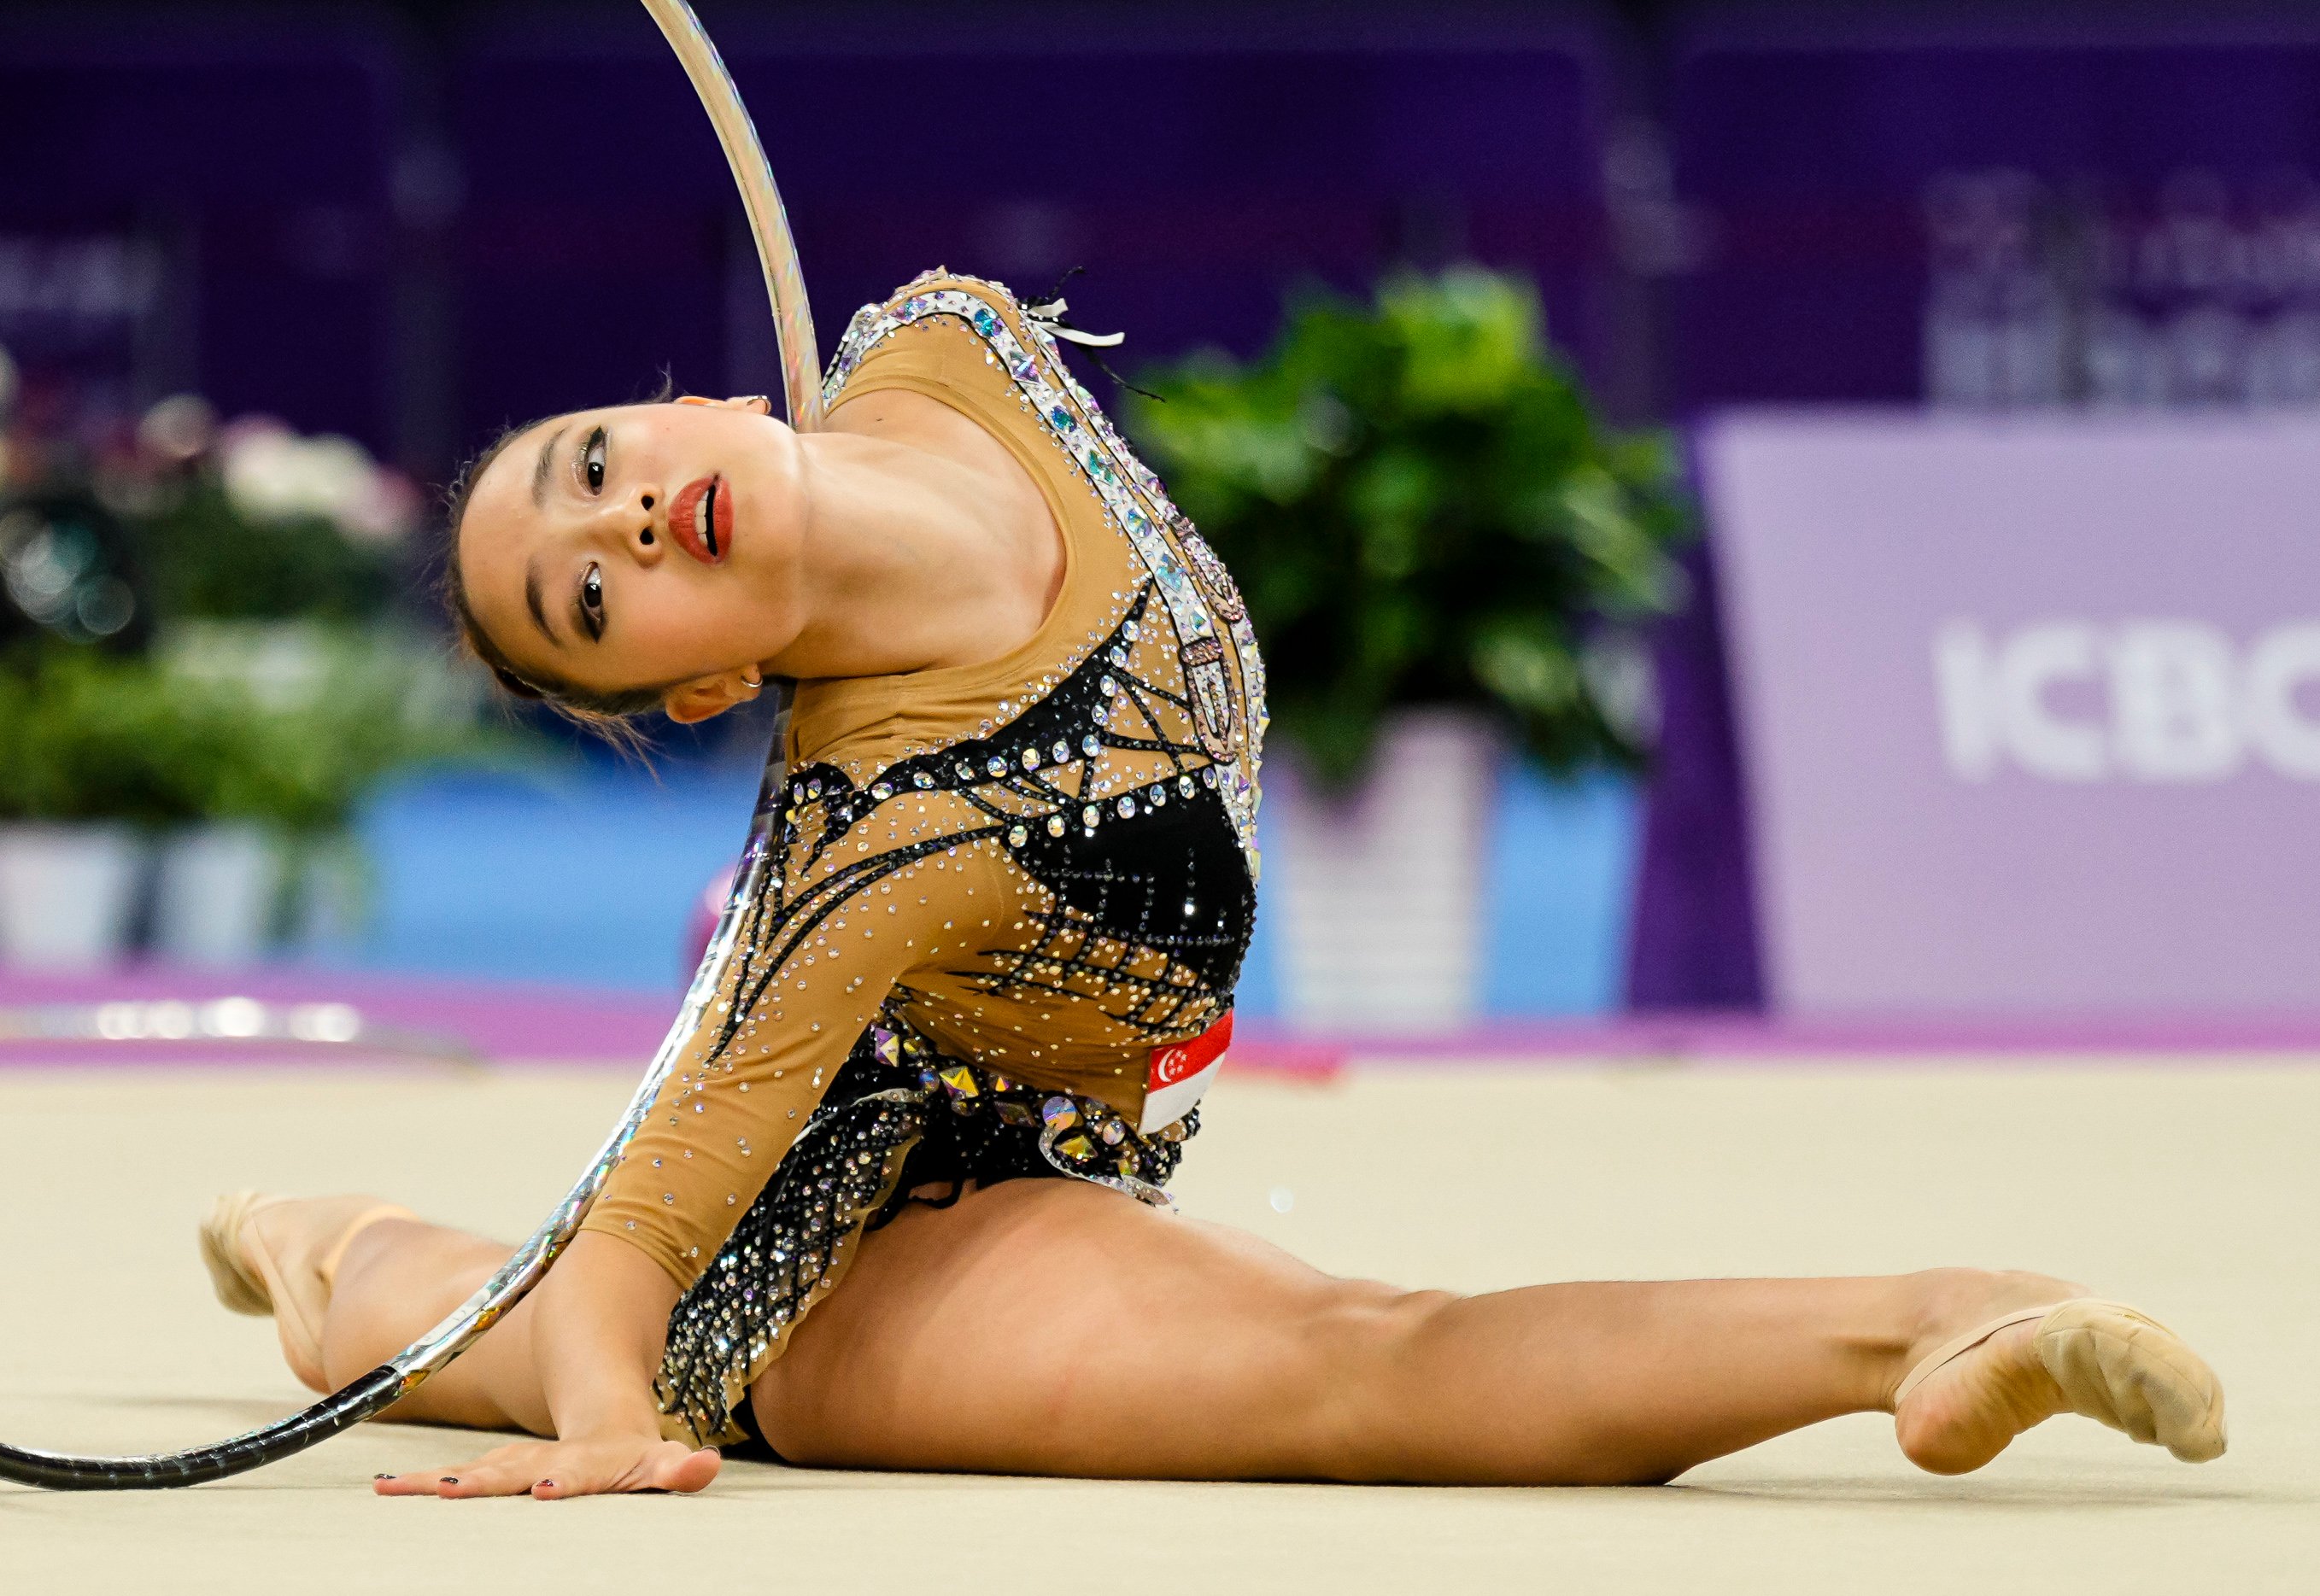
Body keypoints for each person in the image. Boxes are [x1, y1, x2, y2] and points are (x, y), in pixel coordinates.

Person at [197, 271, 2226, 1499]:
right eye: (591, 603)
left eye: (589, 467)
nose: (625, 525)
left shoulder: (950, 341)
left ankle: (331, 1235)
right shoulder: (870, 834)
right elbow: (648, 1231)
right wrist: (603, 1422)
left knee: (493, 1281)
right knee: (1359, 1365)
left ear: (706, 404)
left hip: (1073, 1122)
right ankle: (1931, 1327)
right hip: (856, 1251)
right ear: (704, 680)